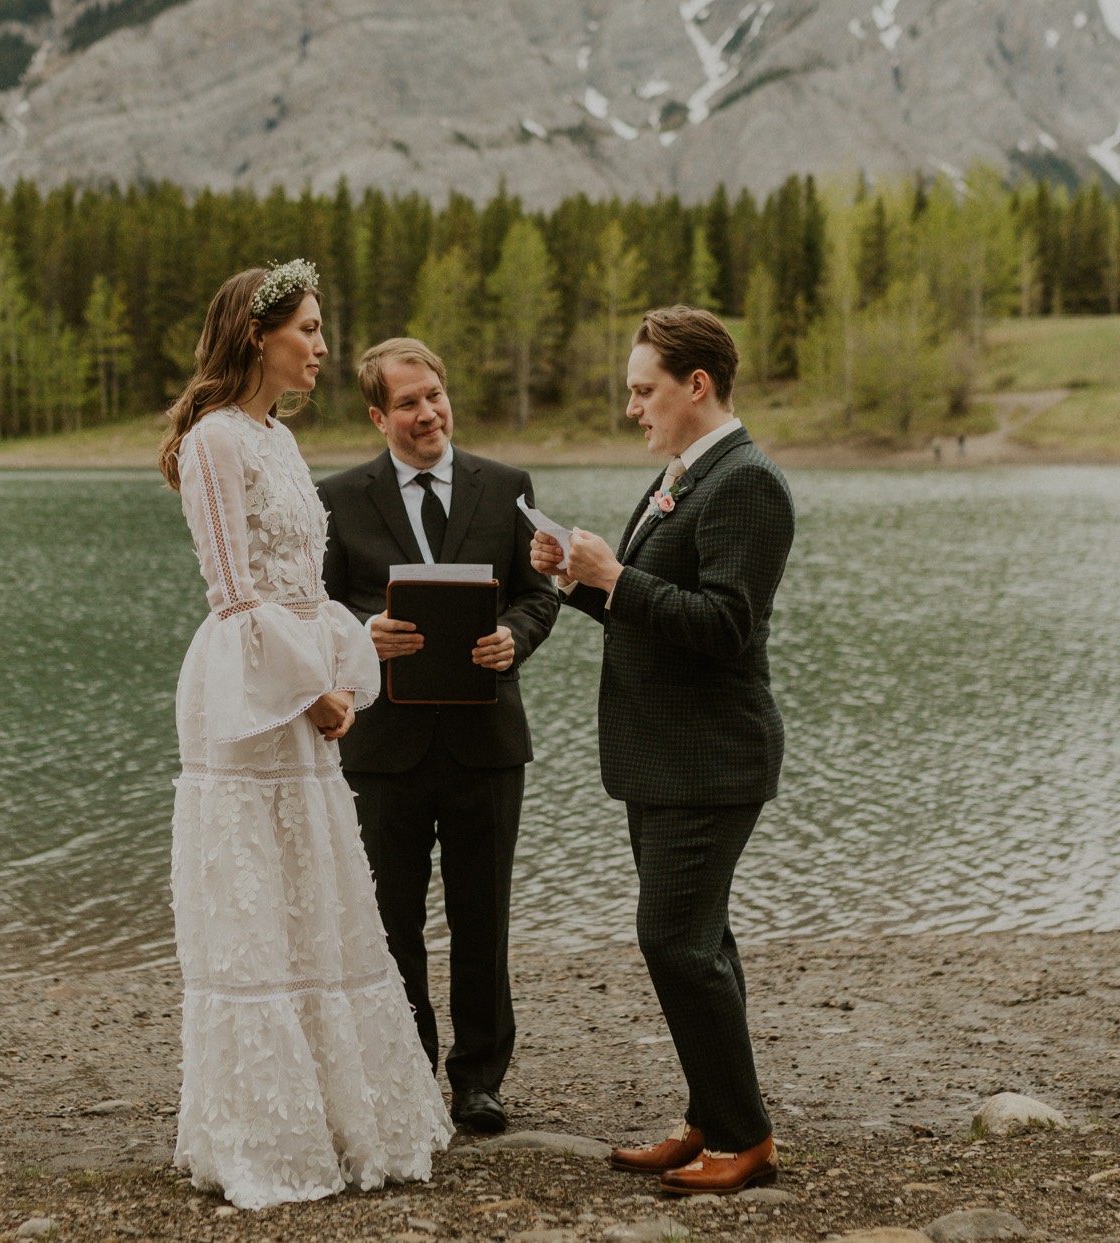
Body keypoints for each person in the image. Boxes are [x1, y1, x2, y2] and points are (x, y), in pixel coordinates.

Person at [158, 264, 450, 1211]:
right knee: (255, 907)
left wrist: (343, 662)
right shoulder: (213, 440)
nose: (324, 347)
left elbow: (307, 589)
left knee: (312, 894)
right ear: (257, 333)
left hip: (297, 673)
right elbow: (235, 594)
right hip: (247, 695)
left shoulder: (279, 438)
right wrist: (308, 691)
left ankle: (336, 1117)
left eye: (322, 330)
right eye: (310, 330)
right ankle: (263, 1133)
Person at [530, 306, 794, 1196]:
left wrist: (615, 576)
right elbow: (653, 605)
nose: (633, 406)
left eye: (644, 390)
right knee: (700, 941)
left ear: (697, 386)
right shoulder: (687, 473)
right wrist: (577, 576)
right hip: (666, 759)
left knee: (673, 941)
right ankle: (710, 1116)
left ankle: (745, 1135)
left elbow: (725, 626)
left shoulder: (746, 482)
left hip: (711, 761)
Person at [318, 339, 560, 1134]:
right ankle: (409, 1068)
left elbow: (538, 594)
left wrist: (514, 639)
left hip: (487, 744)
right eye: (409, 403)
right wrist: (363, 632)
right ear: (377, 415)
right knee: (391, 919)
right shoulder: (339, 499)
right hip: (382, 749)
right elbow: (314, 610)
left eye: (435, 395)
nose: (429, 413)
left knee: (483, 915)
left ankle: (479, 1080)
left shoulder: (509, 486)